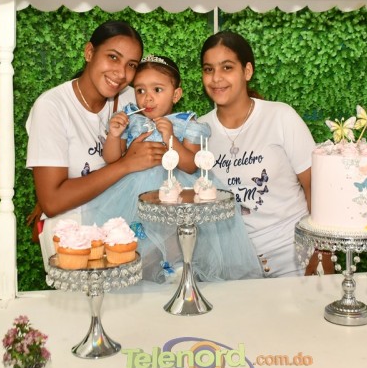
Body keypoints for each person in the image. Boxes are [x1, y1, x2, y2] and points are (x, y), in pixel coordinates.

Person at [90, 54, 262, 282]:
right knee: (139, 240)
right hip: (134, 193)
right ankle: (145, 278)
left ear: (176, 94)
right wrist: (114, 135)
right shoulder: (132, 120)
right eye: (140, 90)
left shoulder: (185, 123)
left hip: (176, 190)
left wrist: (171, 137)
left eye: (157, 90)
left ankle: (177, 272)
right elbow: (112, 158)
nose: (147, 98)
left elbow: (190, 166)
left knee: (174, 234)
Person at [25, 20, 166, 267]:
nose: (121, 73)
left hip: (123, 231)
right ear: (89, 52)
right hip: (73, 237)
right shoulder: (52, 107)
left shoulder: (132, 99)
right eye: (113, 57)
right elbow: (52, 201)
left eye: (131, 65)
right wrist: (126, 164)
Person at [200, 31, 317, 277]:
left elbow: (314, 186)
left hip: (293, 256)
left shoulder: (280, 117)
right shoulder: (199, 131)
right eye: (208, 69)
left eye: (227, 67)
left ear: (247, 71)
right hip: (233, 266)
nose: (216, 78)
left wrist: (322, 251)